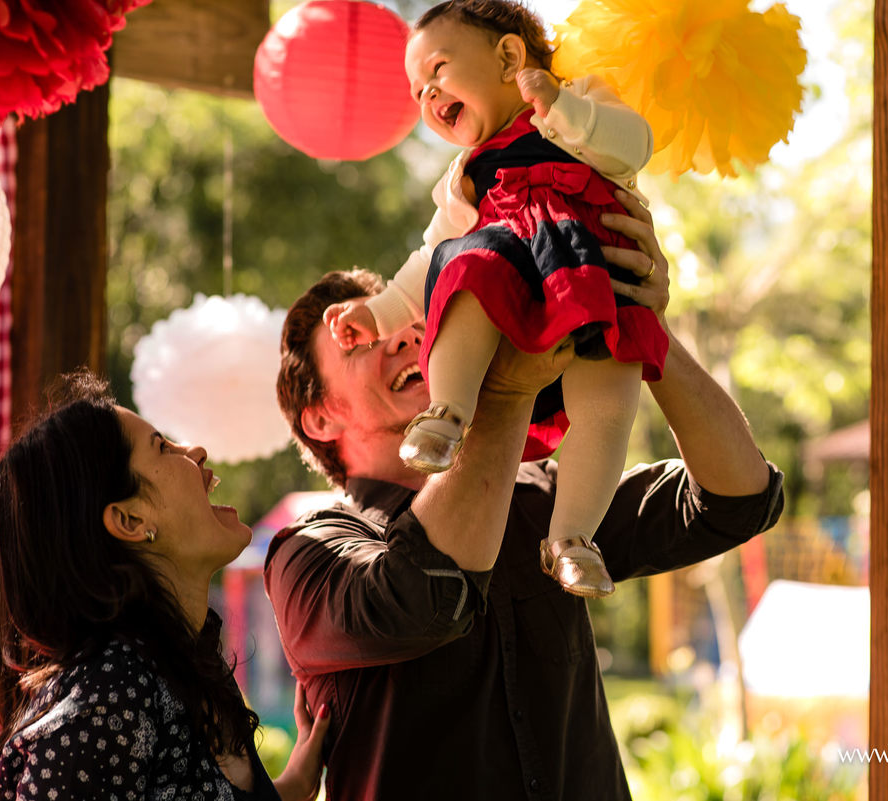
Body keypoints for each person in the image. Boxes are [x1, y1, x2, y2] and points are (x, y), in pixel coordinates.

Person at [266, 192, 785, 800]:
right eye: (358, 341)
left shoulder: (547, 495)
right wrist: (506, 395)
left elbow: (737, 499)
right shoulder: (307, 554)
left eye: (415, 325)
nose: (406, 340)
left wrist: (642, 323)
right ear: (319, 419)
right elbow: (425, 595)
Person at [322, 0, 662, 597]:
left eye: (437, 71)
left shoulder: (580, 103)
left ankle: (572, 539)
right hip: (513, 289)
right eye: (415, 91)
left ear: (508, 57)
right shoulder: (463, 177)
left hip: (592, 281)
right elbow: (426, 260)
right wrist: (378, 313)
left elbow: (633, 145)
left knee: (609, 407)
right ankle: (448, 412)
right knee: (467, 270)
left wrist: (561, 109)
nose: (427, 96)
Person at [0, 373, 330, 801]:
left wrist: (292, 786)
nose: (195, 451)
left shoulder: (184, 661)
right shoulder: (108, 700)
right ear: (130, 521)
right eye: (163, 447)